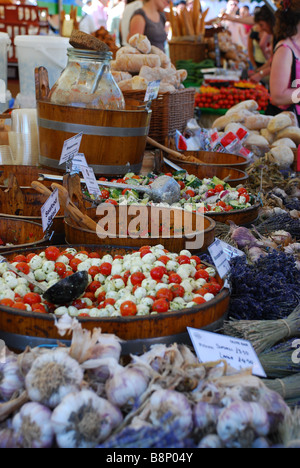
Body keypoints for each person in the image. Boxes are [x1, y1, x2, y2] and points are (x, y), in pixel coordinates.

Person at [269, 0, 300, 124]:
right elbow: (278, 97)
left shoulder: (296, 46)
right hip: (290, 124)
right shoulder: (285, 50)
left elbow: (295, 83)